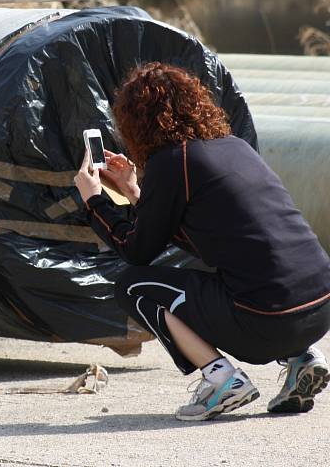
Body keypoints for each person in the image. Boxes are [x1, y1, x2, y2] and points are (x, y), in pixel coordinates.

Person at [74, 62, 330, 421]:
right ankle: (302, 359)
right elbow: (205, 236)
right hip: (319, 309)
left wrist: (93, 200)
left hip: (266, 322)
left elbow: (136, 249)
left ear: (136, 123)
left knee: (134, 287)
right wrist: (135, 191)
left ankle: (223, 380)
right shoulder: (234, 147)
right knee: (252, 267)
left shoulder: (170, 162)